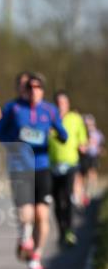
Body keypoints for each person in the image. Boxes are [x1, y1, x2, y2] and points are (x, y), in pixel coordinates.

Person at [0, 72, 67, 269]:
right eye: (30, 87)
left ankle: (36, 255)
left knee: (41, 214)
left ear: (43, 90)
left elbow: (62, 133)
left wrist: (60, 135)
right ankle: (25, 236)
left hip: (42, 167)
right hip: (20, 166)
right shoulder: (14, 108)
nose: (33, 91)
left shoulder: (50, 110)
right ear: (25, 90)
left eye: (37, 87)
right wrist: (14, 142)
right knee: (25, 212)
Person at [48, 91, 88, 246]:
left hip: (70, 163)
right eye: (57, 103)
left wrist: (83, 146)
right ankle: (61, 230)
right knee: (57, 201)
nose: (60, 106)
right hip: (52, 164)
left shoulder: (75, 119)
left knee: (68, 196)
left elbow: (82, 139)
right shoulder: (49, 119)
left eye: (63, 103)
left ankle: (70, 230)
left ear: (68, 104)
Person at [79, 114, 105, 204]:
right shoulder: (84, 132)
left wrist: (99, 150)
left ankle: (91, 191)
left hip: (93, 156)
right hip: (85, 156)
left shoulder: (98, 134)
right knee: (83, 175)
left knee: (92, 172)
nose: (88, 125)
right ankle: (84, 192)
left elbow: (101, 145)